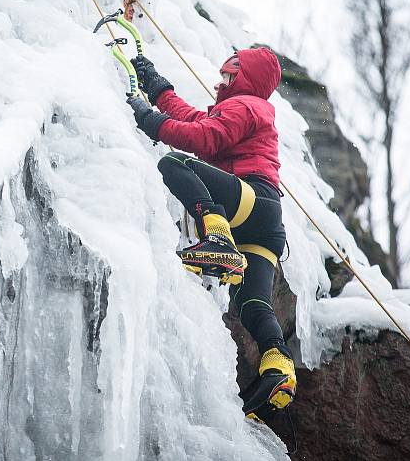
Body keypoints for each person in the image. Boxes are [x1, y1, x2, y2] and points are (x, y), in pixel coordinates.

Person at [125, 46, 296, 419]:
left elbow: (202, 139)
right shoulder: (248, 110)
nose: (221, 82)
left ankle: (217, 237)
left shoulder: (244, 106)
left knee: (174, 163)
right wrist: (156, 87)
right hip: (267, 226)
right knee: (252, 304)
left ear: (244, 77)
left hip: (252, 200)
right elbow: (194, 120)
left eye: (228, 75)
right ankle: (278, 366)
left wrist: (150, 122)